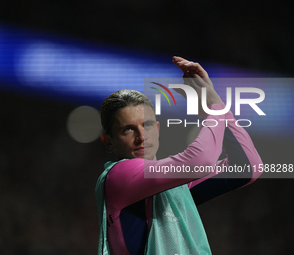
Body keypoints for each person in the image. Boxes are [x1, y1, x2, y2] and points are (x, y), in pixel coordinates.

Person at [95, 56, 263, 255]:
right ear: (108, 140)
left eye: (147, 125)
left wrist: (216, 103)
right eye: (128, 130)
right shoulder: (119, 176)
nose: (141, 136)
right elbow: (202, 160)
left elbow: (248, 167)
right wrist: (214, 108)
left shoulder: (174, 188)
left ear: (157, 129)